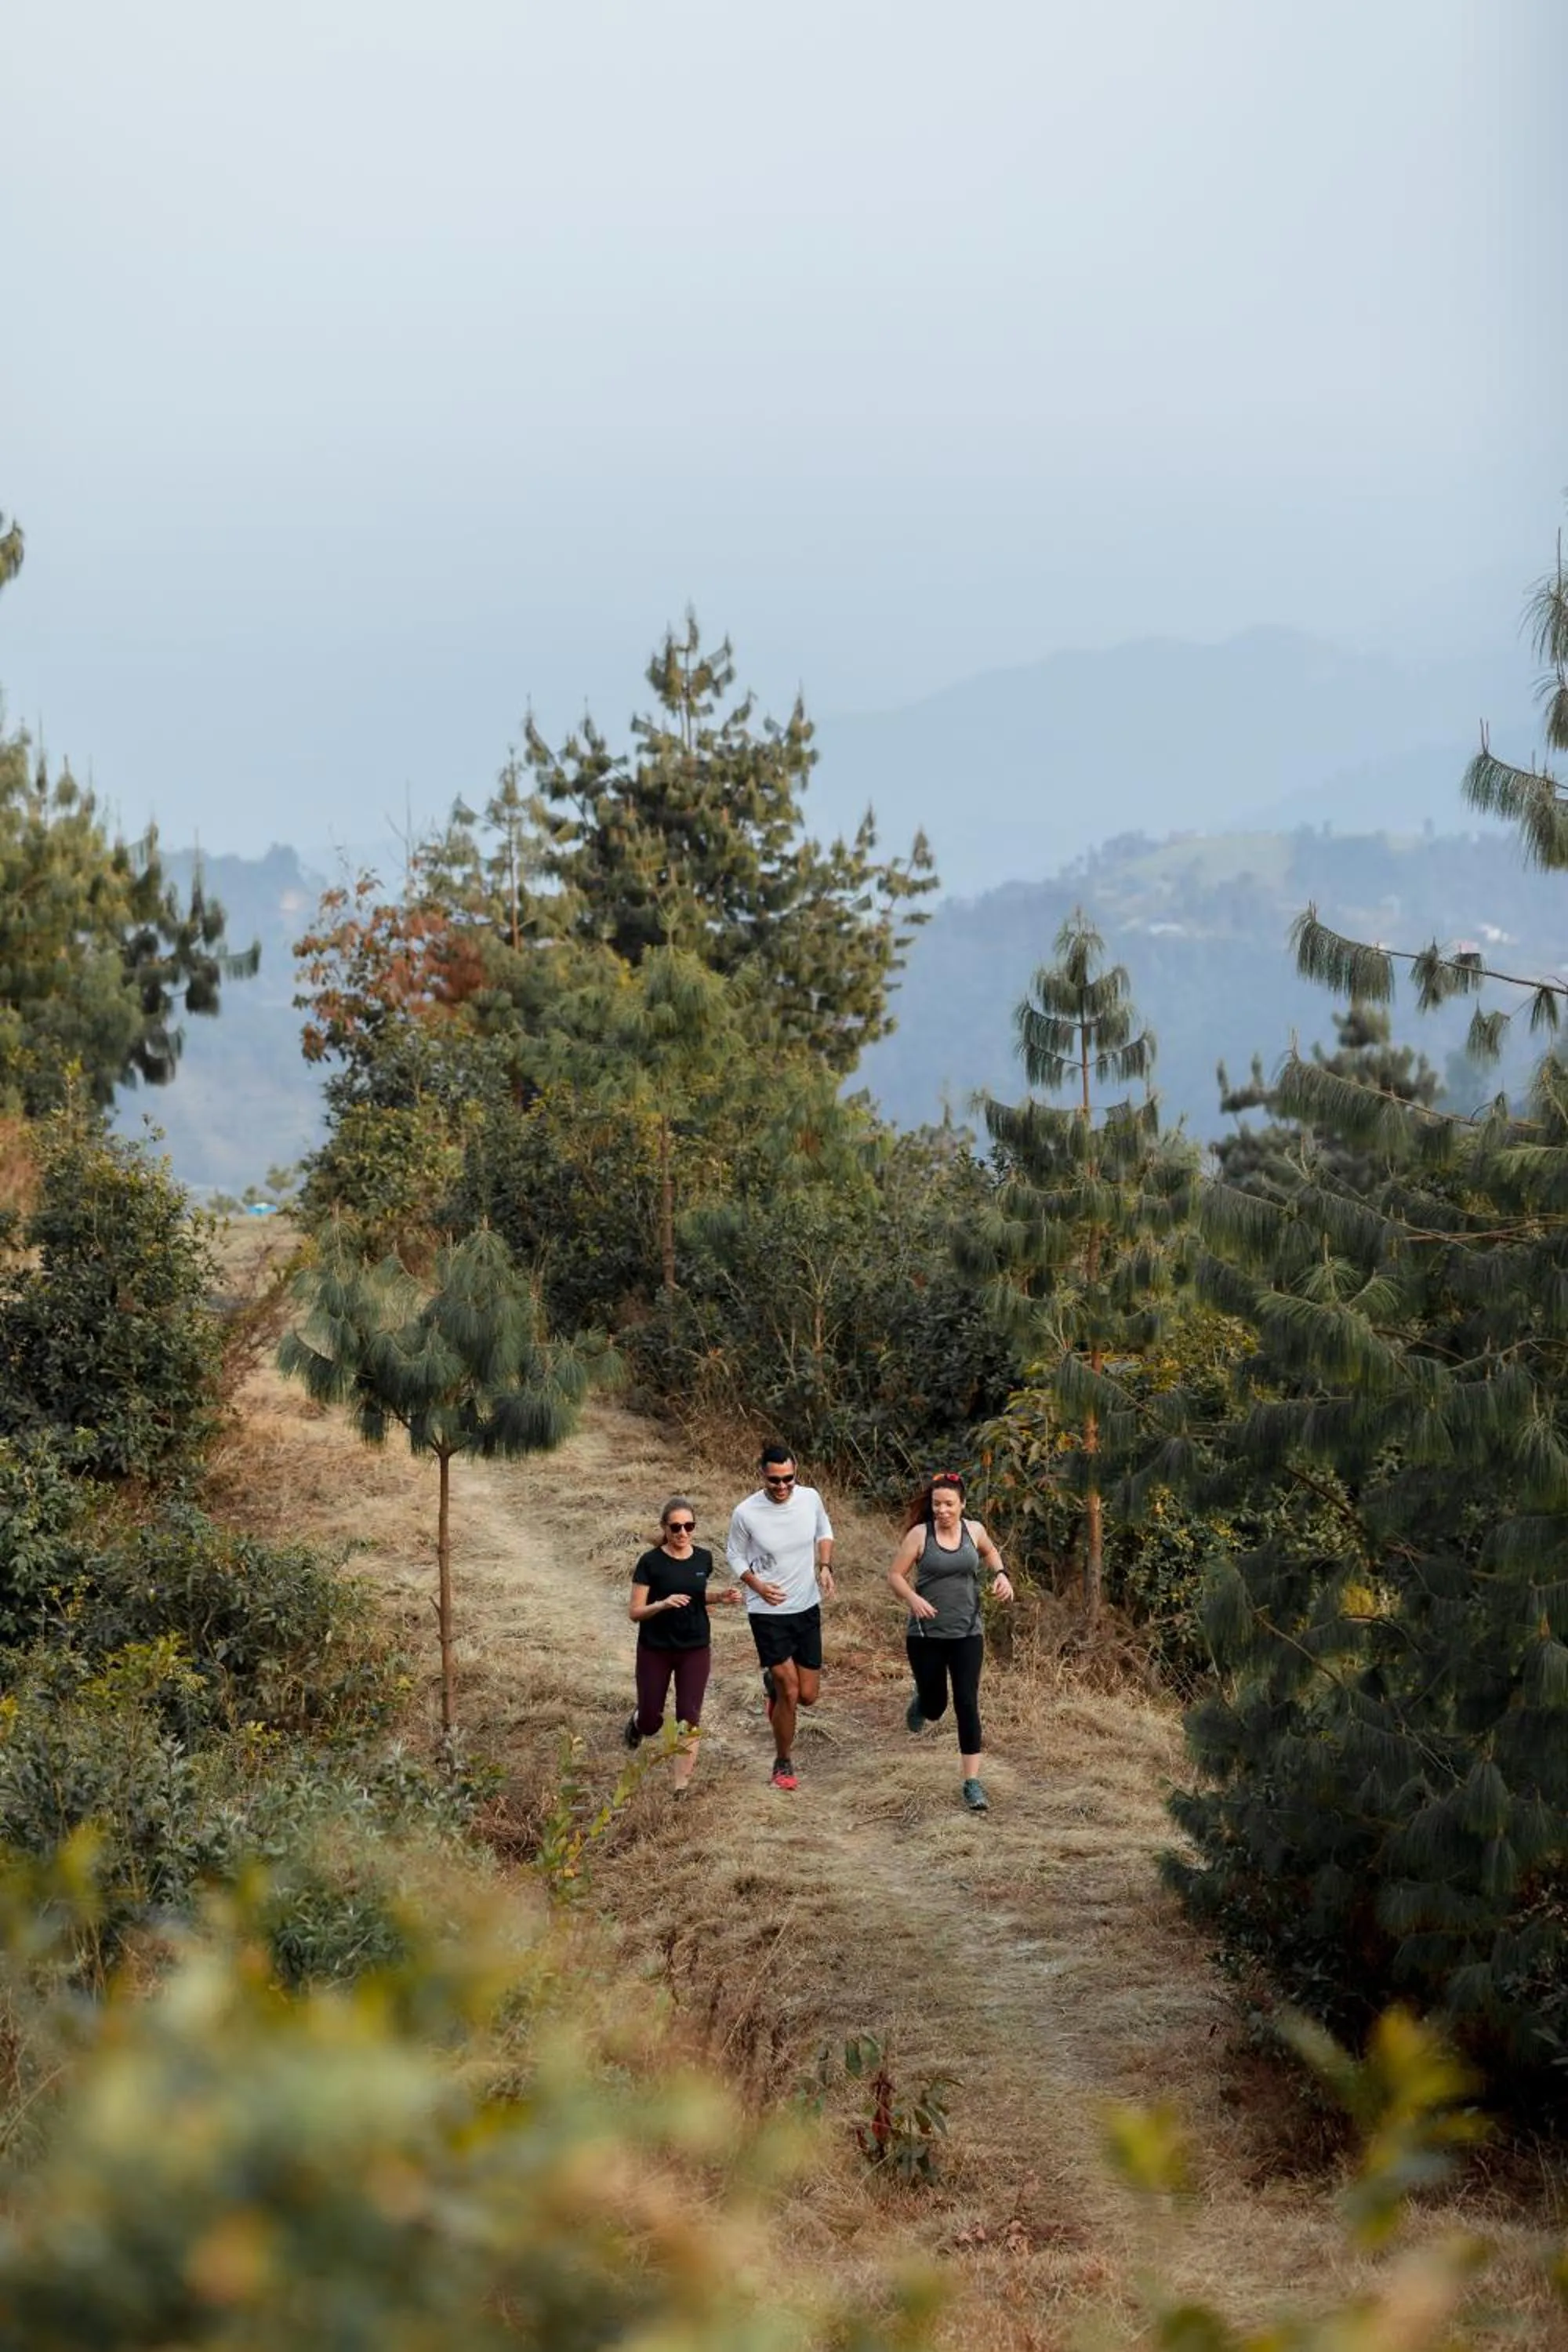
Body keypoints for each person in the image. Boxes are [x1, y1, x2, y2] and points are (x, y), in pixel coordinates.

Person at [887, 1470, 1013, 1813]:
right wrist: (913, 1599)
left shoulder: (975, 1531)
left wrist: (1001, 1574)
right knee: (936, 1707)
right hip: (926, 1635)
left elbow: (991, 1552)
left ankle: (972, 1783)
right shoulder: (919, 1535)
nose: (942, 1510)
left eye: (949, 1504)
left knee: (967, 1704)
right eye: (936, 1504)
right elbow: (895, 1575)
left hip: (968, 1633)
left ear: (962, 1505)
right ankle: (922, 1701)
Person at [726, 1443, 834, 1791]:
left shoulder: (810, 1498)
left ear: (796, 1470)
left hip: (806, 1606)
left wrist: (825, 1566)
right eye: (775, 1480)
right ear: (763, 1475)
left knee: (808, 1695)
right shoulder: (746, 1512)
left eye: (788, 1478)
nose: (783, 1486)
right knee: (790, 1691)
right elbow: (735, 1555)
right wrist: (756, 1585)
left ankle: (774, 1686)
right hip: (768, 1611)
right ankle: (783, 1761)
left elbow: (824, 1531)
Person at [625, 1495, 739, 1795]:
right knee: (652, 1721)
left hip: (695, 1646)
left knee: (689, 1716)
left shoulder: (703, 1558)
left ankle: (680, 1788)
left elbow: (695, 1594)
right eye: (676, 1527)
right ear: (664, 1527)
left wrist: (719, 1597)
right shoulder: (650, 1563)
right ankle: (637, 1723)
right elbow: (635, 1612)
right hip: (655, 1648)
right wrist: (661, 1604)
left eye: (689, 1526)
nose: (683, 1533)